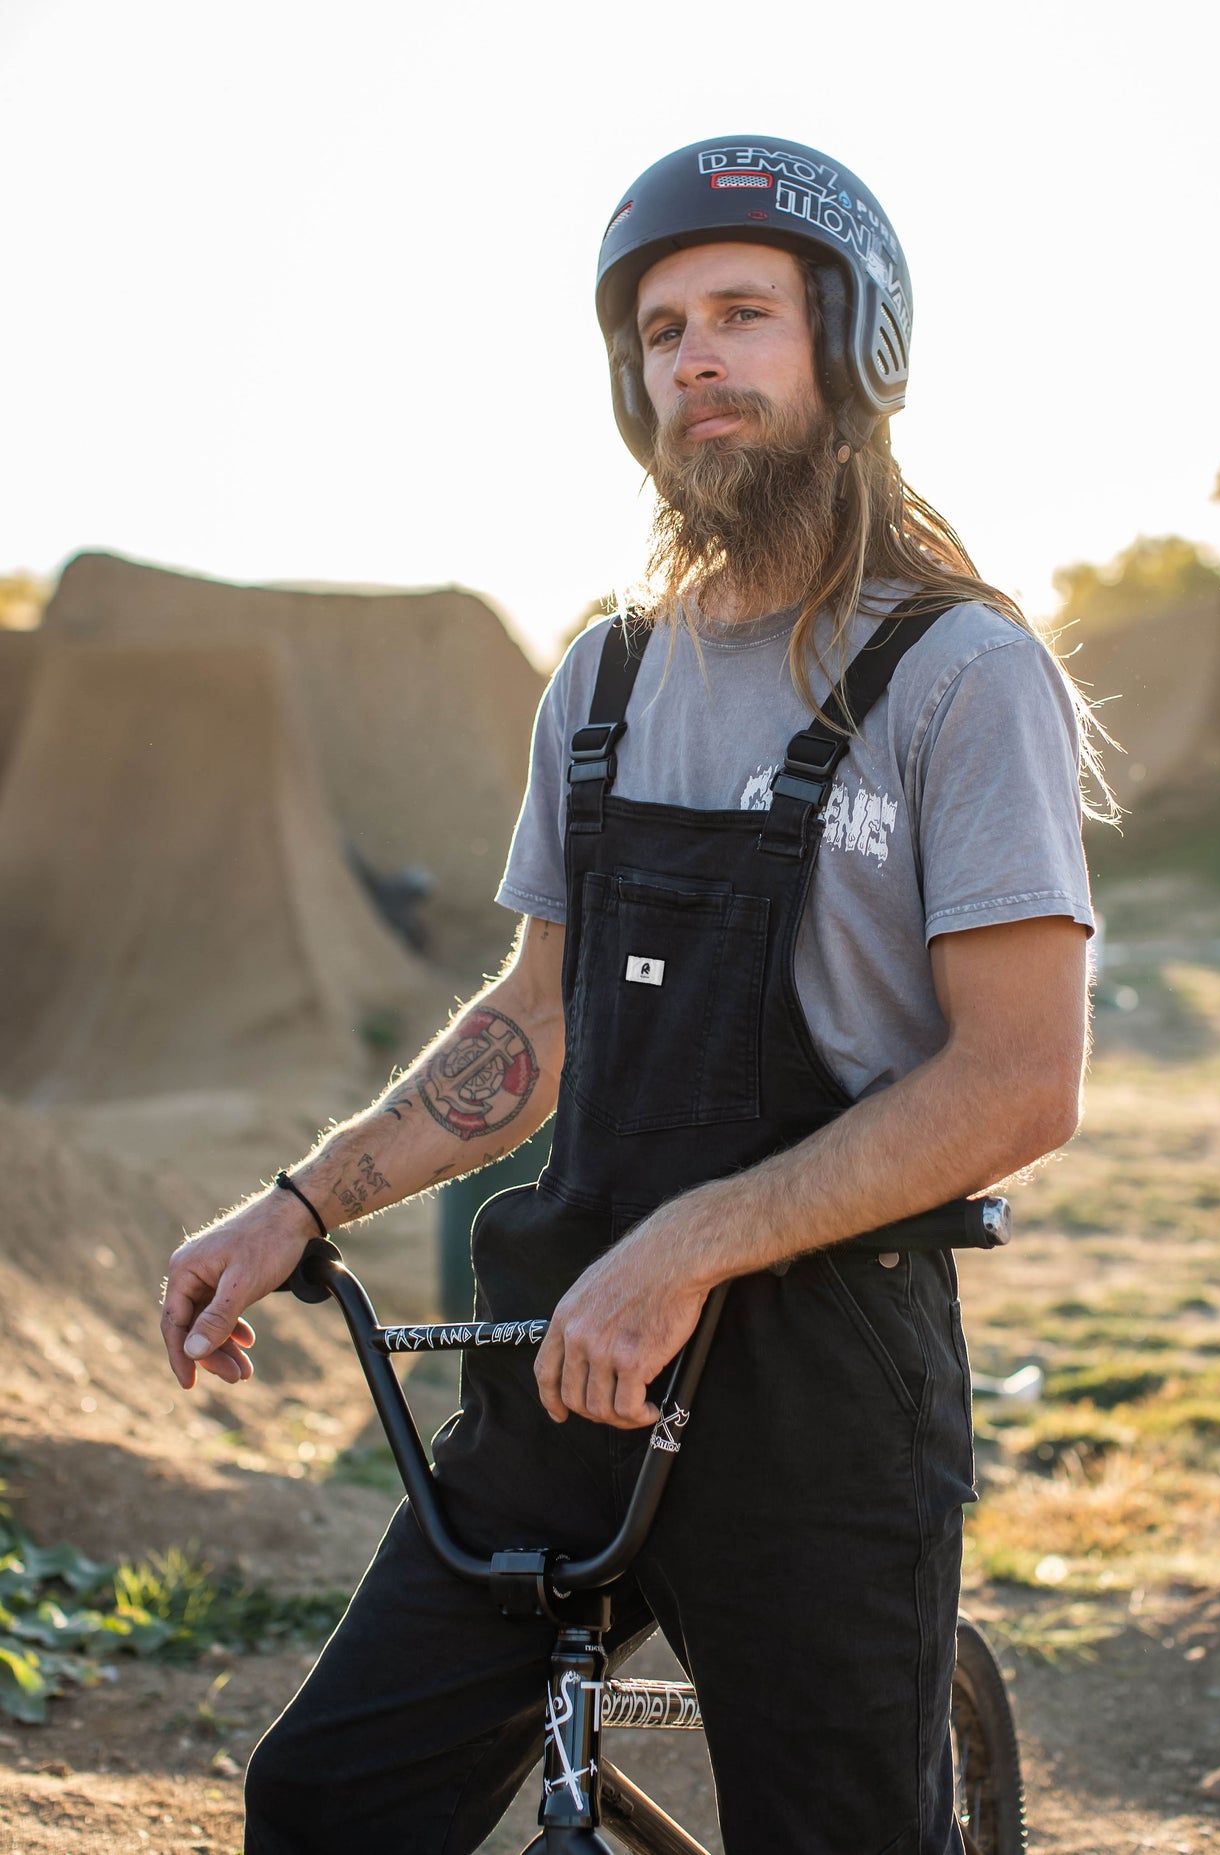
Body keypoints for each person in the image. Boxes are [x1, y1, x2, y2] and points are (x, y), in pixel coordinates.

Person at [161, 134, 1100, 1854]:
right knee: (324, 1803)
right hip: (563, 1365)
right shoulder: (600, 674)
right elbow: (537, 1020)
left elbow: (1022, 1084)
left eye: (742, 316)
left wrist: (688, 1248)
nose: (697, 365)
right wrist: (301, 1203)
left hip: (822, 1397)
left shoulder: (963, 676)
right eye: (662, 333)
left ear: (852, 350)